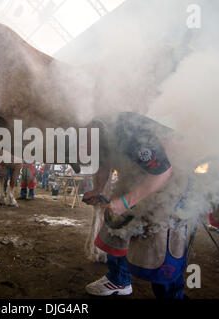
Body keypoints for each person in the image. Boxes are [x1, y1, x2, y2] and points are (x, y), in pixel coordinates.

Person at [83, 112, 188, 299]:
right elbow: (104, 163)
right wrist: (98, 189)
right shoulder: (101, 135)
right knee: (117, 227)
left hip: (172, 178)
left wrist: (125, 203)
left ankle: (172, 296)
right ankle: (119, 279)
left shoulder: (130, 133)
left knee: (159, 241)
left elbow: (163, 172)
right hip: (142, 176)